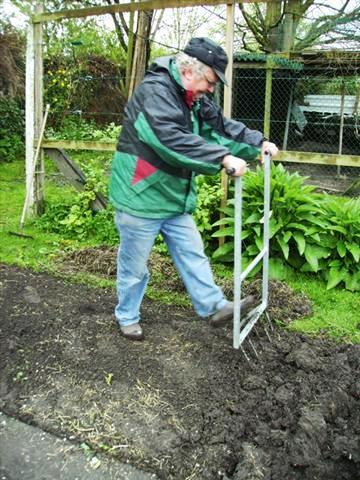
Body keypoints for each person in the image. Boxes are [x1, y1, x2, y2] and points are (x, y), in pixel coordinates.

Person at [109, 37, 278, 341]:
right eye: (211, 81)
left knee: (192, 253)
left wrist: (257, 143)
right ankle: (127, 316)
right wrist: (222, 158)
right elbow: (170, 139)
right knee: (134, 266)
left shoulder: (193, 97)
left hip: (172, 195)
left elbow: (220, 128)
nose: (212, 89)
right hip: (140, 194)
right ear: (190, 71)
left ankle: (214, 306)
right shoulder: (155, 92)